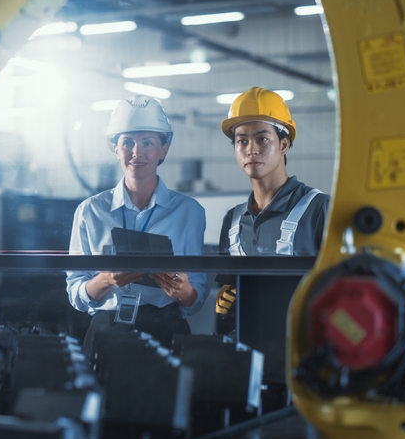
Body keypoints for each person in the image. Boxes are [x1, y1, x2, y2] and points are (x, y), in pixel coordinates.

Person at [66, 97, 208, 353]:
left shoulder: (189, 212)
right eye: (127, 142)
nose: (136, 152)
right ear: (115, 147)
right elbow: (75, 292)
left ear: (163, 149)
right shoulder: (90, 211)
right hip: (105, 331)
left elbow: (196, 298)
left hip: (165, 329)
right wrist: (107, 279)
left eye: (148, 143)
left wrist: (184, 290)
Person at [215, 87, 330, 318]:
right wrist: (223, 299)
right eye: (242, 141)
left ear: (284, 145)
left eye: (262, 139)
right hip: (245, 346)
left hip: (301, 345)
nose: (251, 150)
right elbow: (226, 288)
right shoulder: (233, 220)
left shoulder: (319, 209)